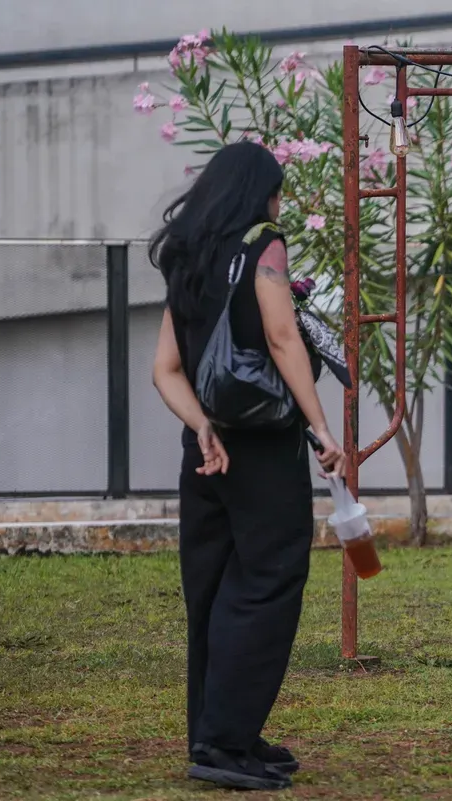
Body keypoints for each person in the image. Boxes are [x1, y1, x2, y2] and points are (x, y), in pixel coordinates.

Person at [151, 140, 345, 791]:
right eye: (276, 191)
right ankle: (225, 742)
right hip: (261, 442)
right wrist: (321, 428)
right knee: (266, 580)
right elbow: (284, 337)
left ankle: (220, 730)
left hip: (206, 447)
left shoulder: (190, 256)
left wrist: (203, 426)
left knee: (211, 587)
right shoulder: (263, 243)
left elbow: (165, 370)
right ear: (258, 193)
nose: (279, 203)